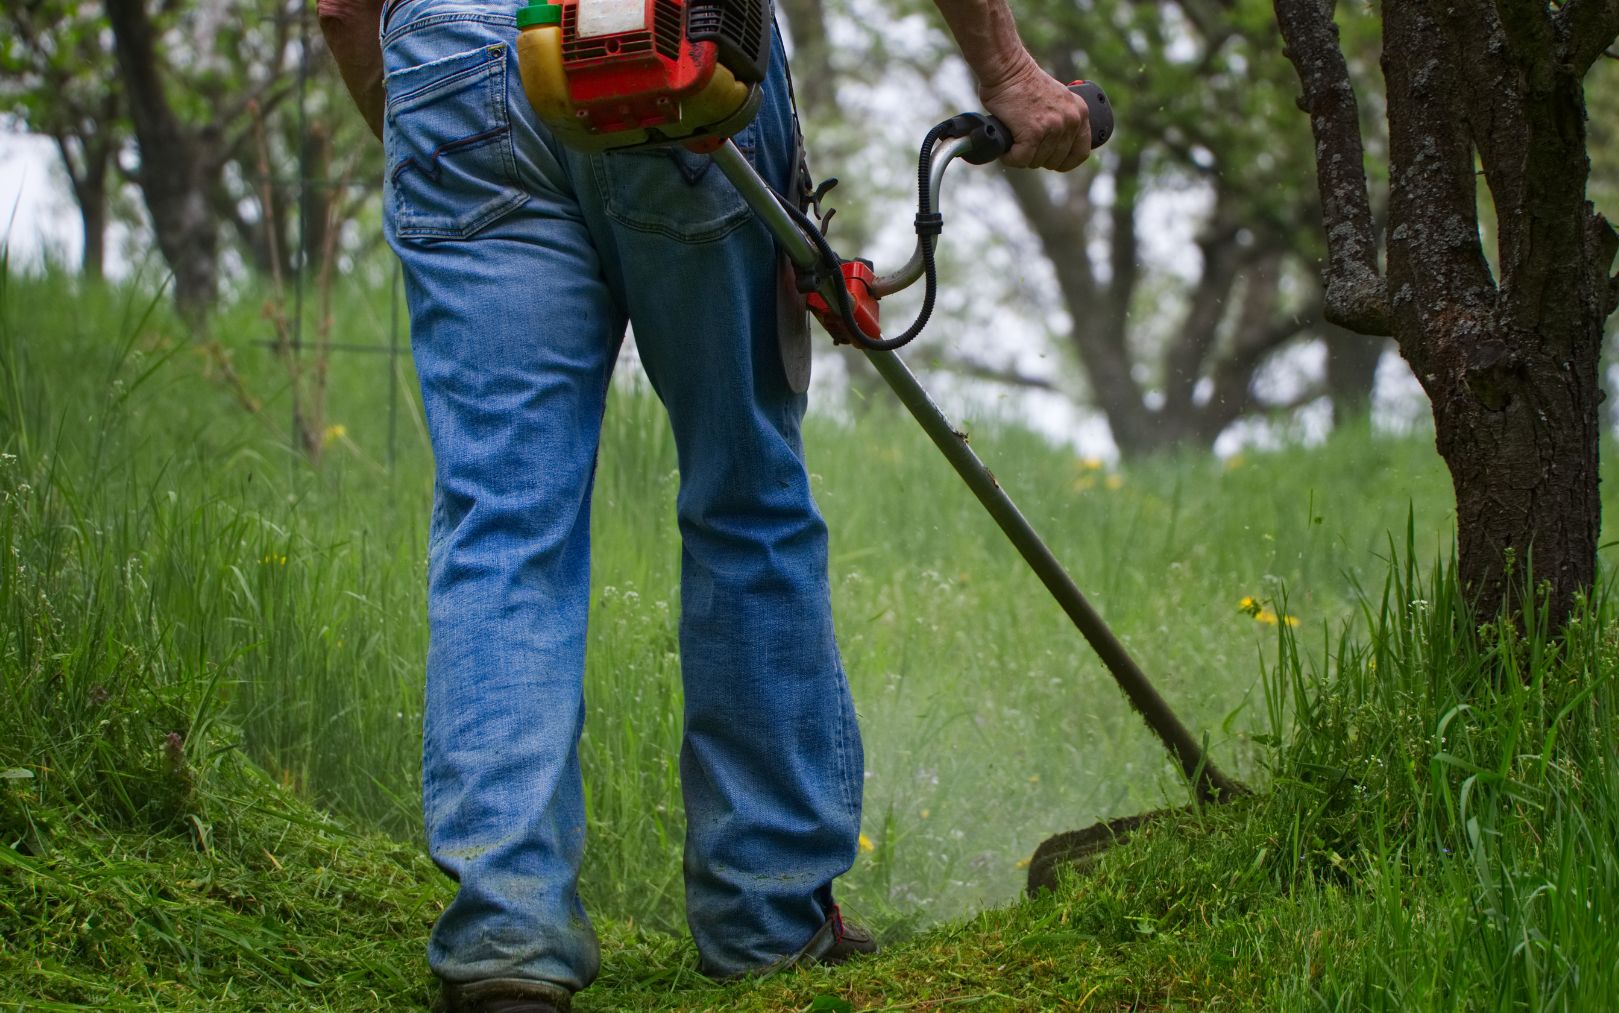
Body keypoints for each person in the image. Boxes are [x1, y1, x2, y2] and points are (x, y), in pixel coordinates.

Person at [315, 1, 1091, 1009]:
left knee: (502, 515)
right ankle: (766, 918)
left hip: (450, 55)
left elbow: (341, 9)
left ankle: (506, 935)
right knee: (744, 493)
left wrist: (455, 114)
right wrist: (1009, 75)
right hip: (659, 40)